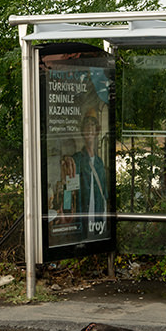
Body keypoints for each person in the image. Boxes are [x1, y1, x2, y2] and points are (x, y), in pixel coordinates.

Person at [61, 102, 108, 240]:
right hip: (82, 222)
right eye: (86, 124)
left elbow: (104, 195)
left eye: (92, 124)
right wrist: (67, 214)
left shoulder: (99, 163)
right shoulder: (76, 160)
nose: (89, 128)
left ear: (97, 131)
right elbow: (68, 190)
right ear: (82, 130)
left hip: (98, 222)